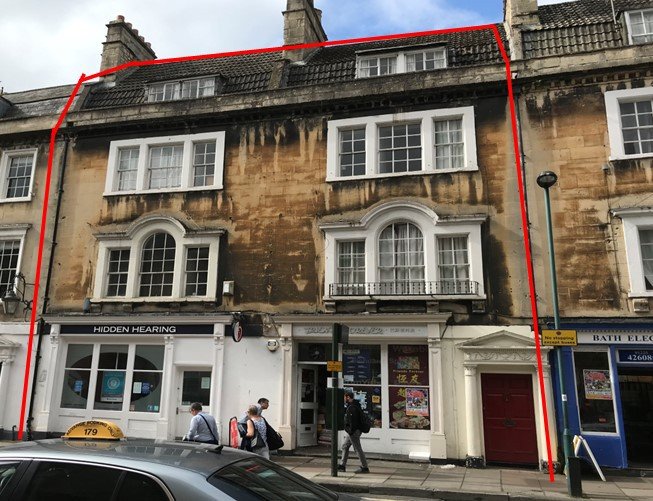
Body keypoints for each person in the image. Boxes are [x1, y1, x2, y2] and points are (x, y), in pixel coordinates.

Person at [338, 391, 369, 473]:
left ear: (348, 397)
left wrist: (350, 430)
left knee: (357, 449)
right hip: (353, 431)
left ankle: (365, 467)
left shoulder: (352, 407)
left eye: (344, 397)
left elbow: (353, 422)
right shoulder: (355, 405)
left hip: (353, 431)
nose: (344, 399)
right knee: (345, 446)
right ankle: (342, 466)